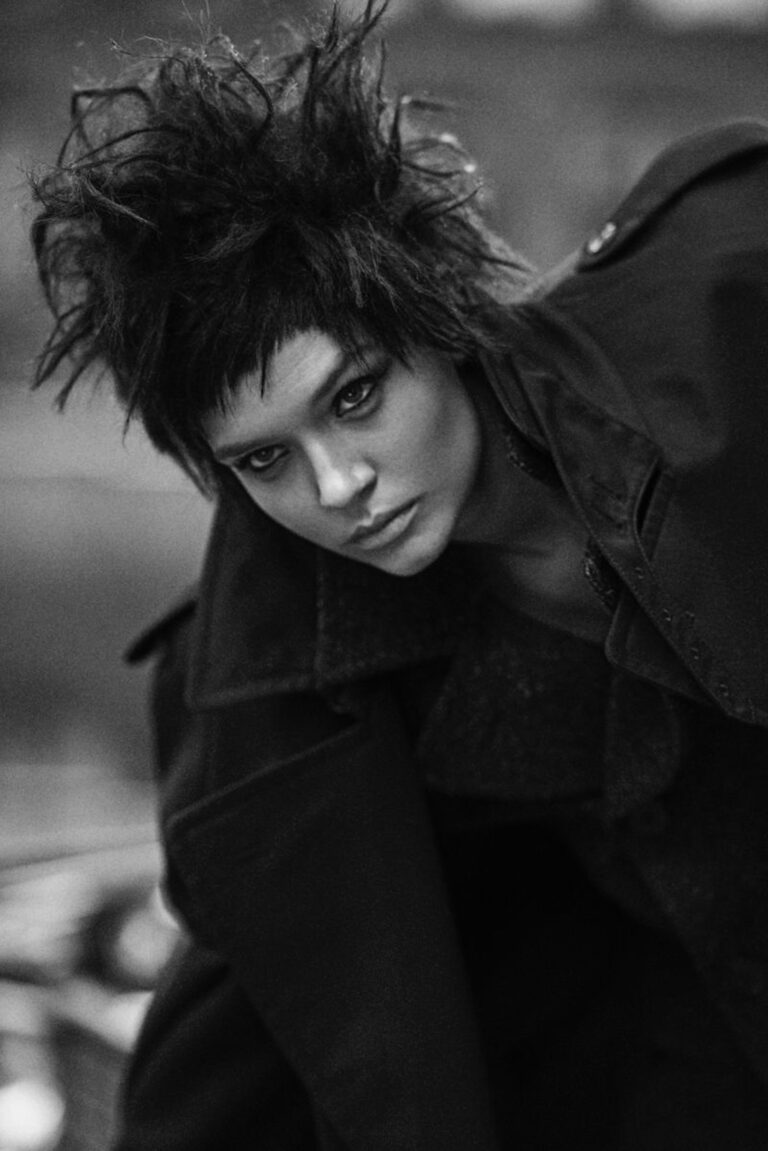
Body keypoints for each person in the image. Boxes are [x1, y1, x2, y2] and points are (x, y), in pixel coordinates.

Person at [30, 3, 768, 1147]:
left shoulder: (725, 332)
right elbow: (251, 1022)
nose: (338, 486)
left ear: (441, 316)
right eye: (264, 460)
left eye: (357, 395)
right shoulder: (275, 677)